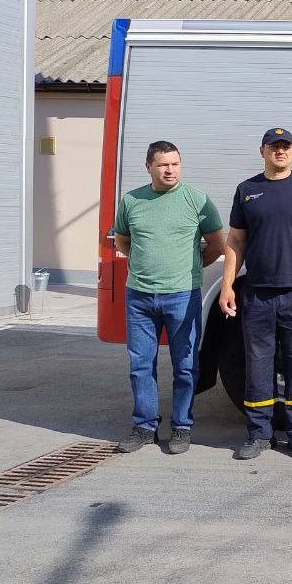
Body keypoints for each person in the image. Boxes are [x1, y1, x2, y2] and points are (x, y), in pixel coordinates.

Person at [219, 128, 292, 461]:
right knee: (257, 365)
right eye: (274, 147)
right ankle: (259, 435)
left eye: (286, 147)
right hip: (257, 294)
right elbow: (235, 240)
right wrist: (227, 285)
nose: (280, 151)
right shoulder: (247, 190)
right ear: (262, 151)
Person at [113, 141, 225, 455]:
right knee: (140, 365)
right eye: (163, 164)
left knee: (186, 366)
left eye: (175, 164)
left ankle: (181, 427)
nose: (170, 170)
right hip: (139, 297)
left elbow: (217, 245)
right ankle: (144, 427)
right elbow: (123, 241)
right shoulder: (131, 201)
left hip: (182, 296)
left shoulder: (197, 200)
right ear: (149, 167)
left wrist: (189, 270)